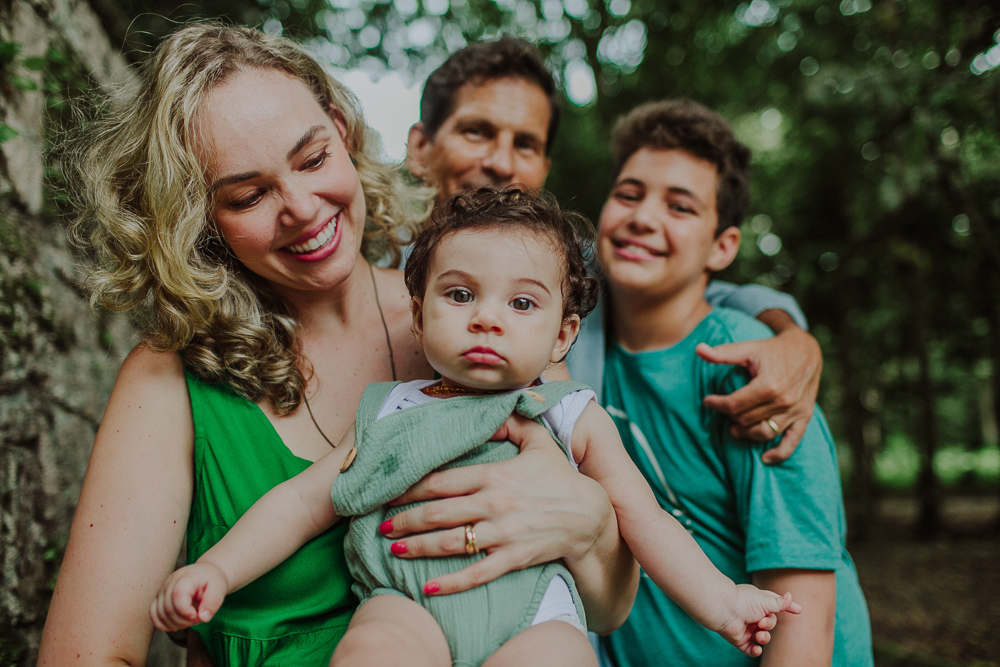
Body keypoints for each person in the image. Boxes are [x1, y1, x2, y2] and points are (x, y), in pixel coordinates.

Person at [37, 24, 635, 667]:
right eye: (249, 195)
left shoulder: (481, 335)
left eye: (313, 158)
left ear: (341, 131)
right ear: (197, 218)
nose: (301, 206)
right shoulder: (169, 380)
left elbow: (602, 606)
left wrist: (592, 522)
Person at [150, 186, 799, 667]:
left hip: (532, 617)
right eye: (460, 294)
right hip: (405, 603)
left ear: (562, 334)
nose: (488, 317)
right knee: (369, 654)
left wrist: (724, 601)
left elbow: (646, 520)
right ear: (419, 313)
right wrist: (216, 568)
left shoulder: (571, 413)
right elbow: (299, 502)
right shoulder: (389, 408)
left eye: (521, 302)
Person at [404, 36, 823, 461]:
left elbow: (689, 289)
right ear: (420, 148)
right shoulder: (368, 268)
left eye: (526, 144)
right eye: (477, 132)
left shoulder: (569, 269)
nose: (502, 162)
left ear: (544, 169)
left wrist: (793, 339)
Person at [595, 99, 874, 666]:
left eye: (680, 207)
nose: (643, 217)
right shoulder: (566, 342)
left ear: (722, 246)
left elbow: (801, 614)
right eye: (629, 193)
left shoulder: (753, 373)